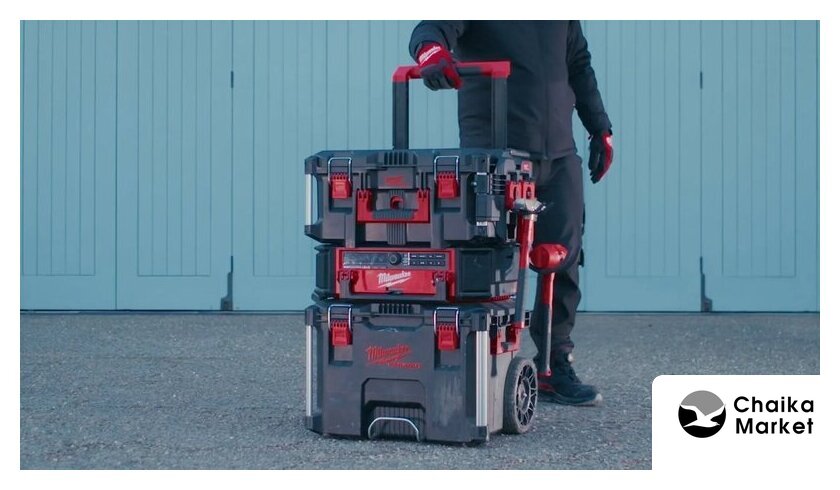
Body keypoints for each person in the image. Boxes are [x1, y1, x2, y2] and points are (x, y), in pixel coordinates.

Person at [409, 21, 614, 406]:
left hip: (558, 152)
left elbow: (578, 64)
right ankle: (476, 363)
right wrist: (431, 53)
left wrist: (599, 127)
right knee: (486, 258)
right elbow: (431, 28)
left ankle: (553, 364)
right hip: (495, 149)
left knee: (562, 258)